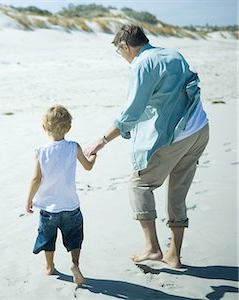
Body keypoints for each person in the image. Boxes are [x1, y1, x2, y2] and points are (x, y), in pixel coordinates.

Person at [85, 24, 209, 269]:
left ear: (126, 47)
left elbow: (131, 112)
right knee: (177, 193)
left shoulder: (142, 64)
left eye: (120, 53)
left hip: (179, 134)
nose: (122, 58)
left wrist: (102, 139)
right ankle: (174, 256)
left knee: (140, 184)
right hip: (200, 128)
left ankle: (152, 248)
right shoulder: (172, 54)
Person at [25, 105, 97, 287]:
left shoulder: (40, 152)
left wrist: (29, 199)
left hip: (49, 208)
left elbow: (36, 178)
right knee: (74, 237)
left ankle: (49, 266)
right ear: (69, 128)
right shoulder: (74, 147)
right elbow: (88, 166)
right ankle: (75, 264)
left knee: (48, 238)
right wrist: (94, 156)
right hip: (71, 206)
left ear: (43, 127)